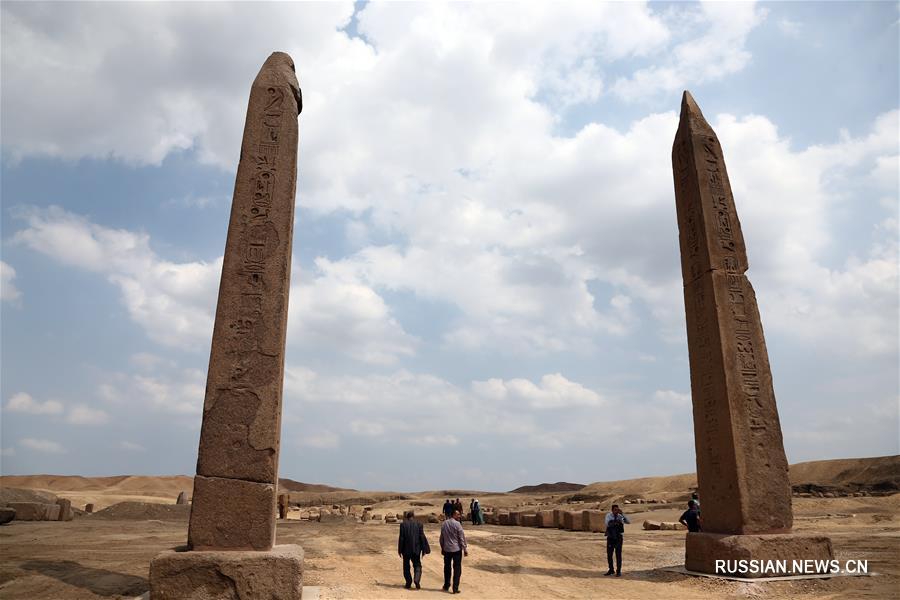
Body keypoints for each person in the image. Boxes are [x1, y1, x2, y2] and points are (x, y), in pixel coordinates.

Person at [398, 510, 430, 589]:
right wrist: (424, 549)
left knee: (406, 566)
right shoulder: (419, 524)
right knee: (417, 565)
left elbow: (401, 538)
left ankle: (408, 582)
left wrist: (399, 550)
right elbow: (422, 537)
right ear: (413, 516)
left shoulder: (403, 525)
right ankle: (417, 580)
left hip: (406, 550)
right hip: (416, 549)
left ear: (407, 517)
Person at [439, 509, 468, 593]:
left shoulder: (444, 523)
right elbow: (461, 538)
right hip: (456, 550)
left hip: (447, 549)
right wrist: (464, 549)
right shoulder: (457, 524)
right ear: (453, 515)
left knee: (447, 568)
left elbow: (442, 538)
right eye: (458, 514)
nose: (459, 516)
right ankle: (455, 588)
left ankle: (446, 585)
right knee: (457, 569)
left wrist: (442, 547)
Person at [604, 504, 630, 577]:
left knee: (618, 555)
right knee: (609, 554)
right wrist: (615, 522)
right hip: (611, 536)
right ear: (612, 510)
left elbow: (628, 522)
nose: (616, 511)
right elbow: (607, 524)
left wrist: (622, 514)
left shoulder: (620, 516)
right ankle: (611, 569)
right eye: (615, 510)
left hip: (618, 537)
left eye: (617, 510)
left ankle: (618, 571)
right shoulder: (608, 516)